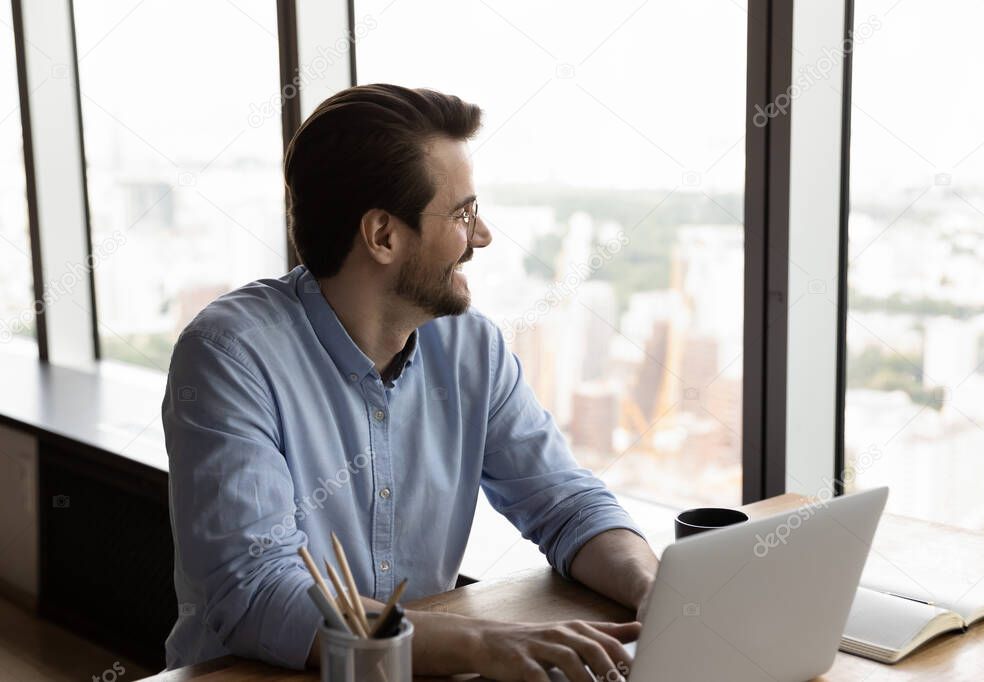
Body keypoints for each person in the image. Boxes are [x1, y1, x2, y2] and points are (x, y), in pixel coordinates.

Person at [162, 83, 658, 681]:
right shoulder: (229, 355)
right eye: (462, 213)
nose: (481, 237)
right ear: (382, 236)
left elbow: (566, 504)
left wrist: (655, 591)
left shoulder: (473, 346)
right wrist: (483, 644)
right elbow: (260, 594)